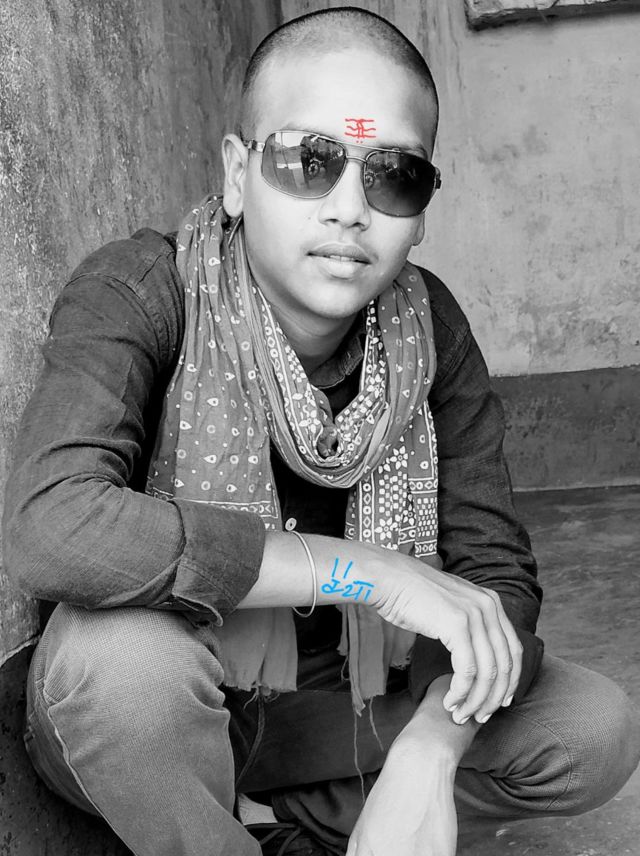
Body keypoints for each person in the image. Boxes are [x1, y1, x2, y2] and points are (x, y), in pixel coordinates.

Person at [2, 7, 639, 856]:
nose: (349, 210)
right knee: (122, 674)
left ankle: (301, 821)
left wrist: (429, 750)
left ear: (423, 209)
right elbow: (52, 525)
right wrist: (370, 572)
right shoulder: (143, 289)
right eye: (309, 161)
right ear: (237, 174)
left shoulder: (430, 329)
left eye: (394, 175)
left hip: (334, 716)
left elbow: (494, 577)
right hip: (167, 713)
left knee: (589, 728)